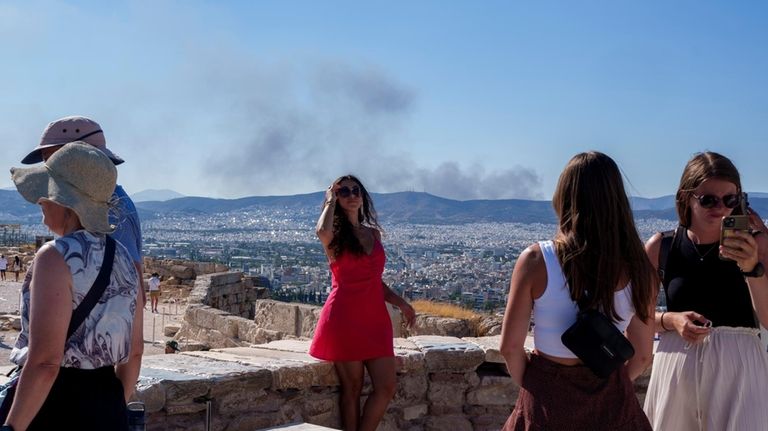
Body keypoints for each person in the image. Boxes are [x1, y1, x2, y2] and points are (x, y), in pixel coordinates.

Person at [499, 152, 655, 430]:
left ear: (563, 196)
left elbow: (510, 347)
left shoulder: (537, 261)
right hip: (614, 405)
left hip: (547, 401)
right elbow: (642, 355)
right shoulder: (639, 267)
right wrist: (610, 382)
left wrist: (538, 385)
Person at [3, 142, 143, 431]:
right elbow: (136, 351)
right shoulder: (125, 259)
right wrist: (110, 406)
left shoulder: (55, 257)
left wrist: (11, 428)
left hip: (53, 406)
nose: (40, 199)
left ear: (65, 200)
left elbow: (45, 363)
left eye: (47, 192)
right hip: (108, 404)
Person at [643, 152, 768, 430]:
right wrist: (670, 320)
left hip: (739, 372)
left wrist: (751, 268)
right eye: (708, 199)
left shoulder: (759, 246)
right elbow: (636, 315)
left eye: (730, 199)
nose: (720, 208)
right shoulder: (661, 247)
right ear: (686, 197)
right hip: (677, 370)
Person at [309, 175, 416, 431]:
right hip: (344, 318)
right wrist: (328, 202)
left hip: (375, 319)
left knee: (386, 386)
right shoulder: (334, 236)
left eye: (355, 190)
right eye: (343, 191)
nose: (351, 194)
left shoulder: (373, 234)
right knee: (352, 388)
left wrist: (402, 303)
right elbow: (321, 231)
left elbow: (374, 281)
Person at [21, 116, 145, 307]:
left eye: (51, 160)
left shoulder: (111, 209)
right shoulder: (105, 202)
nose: (46, 169)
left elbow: (132, 291)